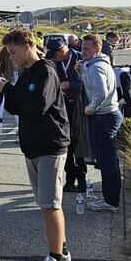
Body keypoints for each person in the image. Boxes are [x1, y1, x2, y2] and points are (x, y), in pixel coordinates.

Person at [0, 27, 71, 261]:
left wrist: (11, 91)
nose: (11, 57)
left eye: (13, 52)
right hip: (34, 146)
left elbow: (37, 105)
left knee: (50, 204)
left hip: (50, 146)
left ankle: (56, 260)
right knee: (47, 203)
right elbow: (19, 106)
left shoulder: (45, 71)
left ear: (27, 46)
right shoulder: (26, 74)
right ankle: (62, 251)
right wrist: (3, 91)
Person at [80, 34, 122, 212]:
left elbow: (101, 92)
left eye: (87, 49)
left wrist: (90, 108)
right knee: (108, 160)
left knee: (107, 161)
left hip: (105, 116)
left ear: (97, 49)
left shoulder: (97, 67)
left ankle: (111, 201)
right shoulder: (95, 64)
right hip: (107, 115)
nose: (83, 52)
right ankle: (110, 198)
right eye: (82, 48)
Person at [45, 37, 87, 193]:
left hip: (79, 106)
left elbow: (87, 83)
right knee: (65, 143)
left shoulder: (80, 58)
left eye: (55, 55)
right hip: (62, 107)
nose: (54, 59)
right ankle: (69, 180)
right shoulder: (54, 62)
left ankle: (82, 180)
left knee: (79, 143)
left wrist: (70, 84)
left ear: (62, 50)